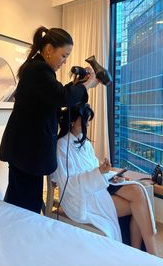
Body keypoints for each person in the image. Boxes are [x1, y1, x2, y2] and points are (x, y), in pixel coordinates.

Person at [0, 26, 99, 214]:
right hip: (26, 151)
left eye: (67, 57)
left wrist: (77, 85)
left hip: (26, 151)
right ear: (49, 49)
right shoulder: (37, 70)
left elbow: (54, 97)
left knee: (21, 200)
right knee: (24, 205)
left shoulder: (39, 70)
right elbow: (61, 97)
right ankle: (18, 238)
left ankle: (15, 236)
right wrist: (87, 85)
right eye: (63, 55)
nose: (64, 61)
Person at [51, 104, 157, 255]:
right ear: (72, 121)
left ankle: (144, 255)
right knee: (138, 206)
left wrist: (109, 174)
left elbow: (95, 169)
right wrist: (99, 172)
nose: (88, 124)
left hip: (97, 188)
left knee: (138, 190)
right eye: (85, 121)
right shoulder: (62, 146)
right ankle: (148, 256)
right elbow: (70, 184)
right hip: (80, 199)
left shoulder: (85, 143)